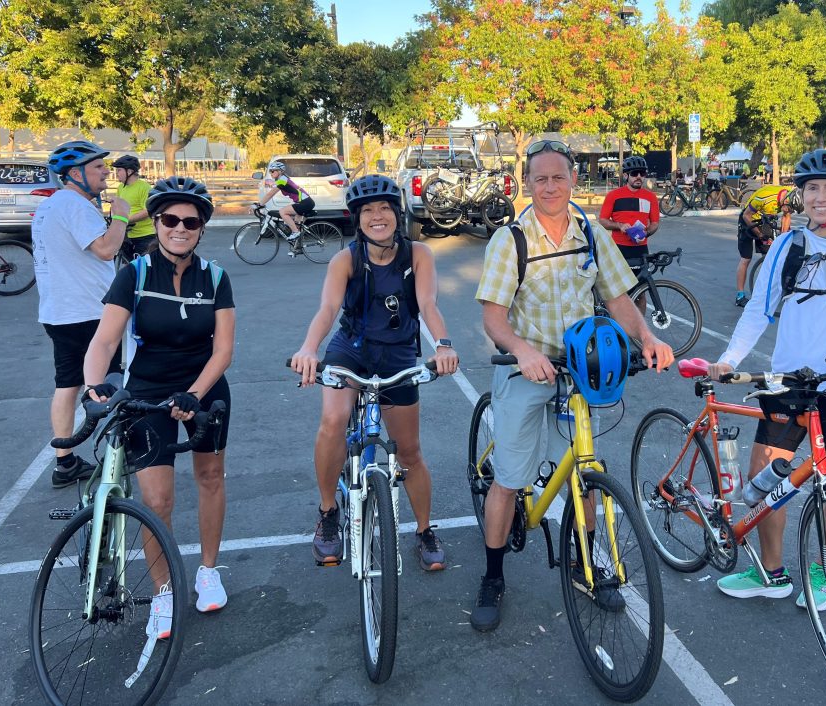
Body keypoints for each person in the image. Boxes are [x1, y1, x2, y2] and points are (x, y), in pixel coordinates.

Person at [470, 139, 674, 632]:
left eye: (558, 177)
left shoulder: (591, 232)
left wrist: (647, 338)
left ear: (573, 181)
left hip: (580, 369)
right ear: (527, 184)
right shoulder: (511, 240)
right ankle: (493, 576)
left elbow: (618, 298)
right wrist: (523, 351)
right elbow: (494, 319)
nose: (550, 187)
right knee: (509, 479)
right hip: (524, 365)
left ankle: (587, 563)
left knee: (583, 469)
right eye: (540, 179)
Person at [707, 148, 826, 611]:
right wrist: (729, 359)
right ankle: (770, 572)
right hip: (788, 383)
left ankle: (821, 571)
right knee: (764, 477)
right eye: (813, 188)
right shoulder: (785, 246)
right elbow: (759, 310)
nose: (821, 197)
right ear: (802, 194)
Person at [83, 176, 235, 632]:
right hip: (148, 392)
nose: (179, 228)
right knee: (157, 499)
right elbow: (104, 340)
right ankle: (163, 590)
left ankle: (208, 572)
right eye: (170, 219)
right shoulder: (135, 274)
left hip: (204, 388)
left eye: (190, 222)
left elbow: (223, 350)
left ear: (201, 228)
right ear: (156, 222)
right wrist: (93, 386)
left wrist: (195, 393)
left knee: (210, 477)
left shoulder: (216, 277)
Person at [290, 175, 459, 571]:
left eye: (384, 208)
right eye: (368, 210)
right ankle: (328, 512)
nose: (377, 216)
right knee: (333, 421)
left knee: (409, 451)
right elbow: (328, 309)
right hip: (351, 348)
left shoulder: (418, 254)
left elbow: (428, 304)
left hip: (398, 353)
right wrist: (308, 349)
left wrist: (444, 345)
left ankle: (424, 531)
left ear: (397, 215)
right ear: (358, 218)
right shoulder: (346, 259)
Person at [33, 140, 128, 488]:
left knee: (67, 384)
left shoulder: (51, 205)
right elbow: (106, 249)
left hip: (59, 311)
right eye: (97, 167)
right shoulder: (75, 205)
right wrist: (121, 215)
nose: (105, 171)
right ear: (75, 174)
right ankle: (120, 456)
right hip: (89, 311)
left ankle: (65, 462)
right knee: (114, 381)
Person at [734, 184, 799, 307]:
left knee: (769, 257)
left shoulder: (790, 195)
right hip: (749, 220)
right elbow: (746, 215)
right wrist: (759, 234)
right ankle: (740, 296)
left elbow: (786, 217)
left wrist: (782, 240)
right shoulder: (764, 197)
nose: (788, 212)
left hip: (765, 220)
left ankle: (767, 291)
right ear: (785, 201)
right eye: (789, 209)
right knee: (746, 259)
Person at [598, 155, 661, 262]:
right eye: (634, 173)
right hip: (618, 247)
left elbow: (655, 223)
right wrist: (619, 226)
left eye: (642, 173)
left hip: (641, 248)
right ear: (625, 175)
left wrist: (646, 233)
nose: (639, 177)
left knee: (642, 273)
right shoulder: (613, 195)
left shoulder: (651, 197)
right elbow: (603, 220)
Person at [254, 161, 316, 239]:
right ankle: (297, 245)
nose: (271, 173)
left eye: (272, 171)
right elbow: (270, 188)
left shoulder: (282, 180)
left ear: (280, 171)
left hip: (305, 203)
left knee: (282, 212)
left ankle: (295, 232)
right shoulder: (282, 179)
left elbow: (270, 194)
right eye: (270, 171)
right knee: (296, 226)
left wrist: (259, 204)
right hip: (305, 202)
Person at [112, 155, 155, 257]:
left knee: (144, 265)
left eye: (119, 170)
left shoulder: (144, 187)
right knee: (128, 265)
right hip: (126, 235)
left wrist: (126, 220)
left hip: (145, 236)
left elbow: (147, 211)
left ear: (129, 171)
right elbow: (118, 206)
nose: (116, 173)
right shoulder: (121, 187)